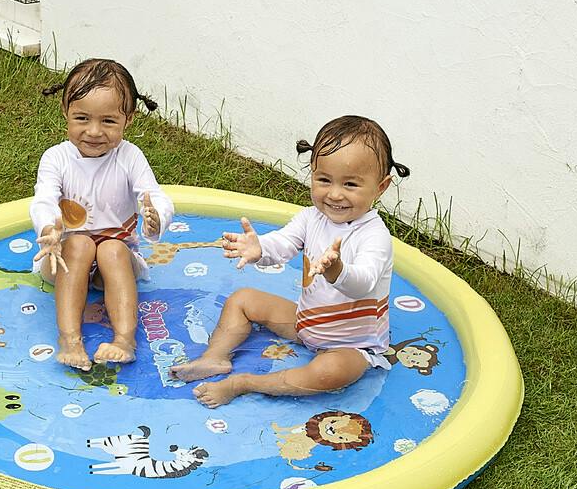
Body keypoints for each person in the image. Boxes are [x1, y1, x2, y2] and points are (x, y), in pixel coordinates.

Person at [173, 115, 409, 407]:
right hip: (305, 322)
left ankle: (243, 383)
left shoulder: (374, 236)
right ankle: (215, 357)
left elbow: (365, 282)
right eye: (324, 180)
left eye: (350, 184)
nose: (334, 194)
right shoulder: (311, 218)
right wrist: (260, 247)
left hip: (351, 345)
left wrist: (337, 271)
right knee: (242, 299)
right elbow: (283, 243)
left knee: (330, 372)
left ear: (381, 186)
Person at [32, 59, 173, 371]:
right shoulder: (56, 158)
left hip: (115, 262)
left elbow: (154, 196)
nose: (94, 132)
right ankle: (70, 339)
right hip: (63, 259)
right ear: (65, 111)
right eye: (82, 118)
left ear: (129, 119)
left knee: (110, 248)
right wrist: (48, 228)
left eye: (108, 121)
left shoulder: (130, 157)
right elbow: (44, 199)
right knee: (79, 243)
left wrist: (156, 216)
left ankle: (124, 339)